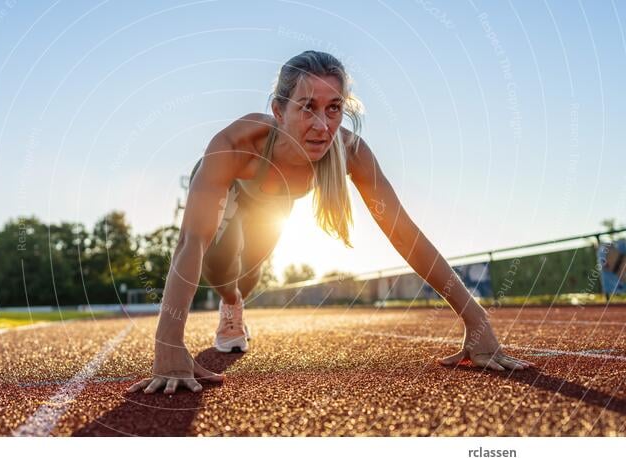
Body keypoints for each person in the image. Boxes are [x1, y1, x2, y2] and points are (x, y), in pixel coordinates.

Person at [128, 50, 534, 395]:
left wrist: (476, 319)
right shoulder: (236, 143)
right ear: (278, 109)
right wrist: (168, 341)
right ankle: (228, 298)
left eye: (334, 108)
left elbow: (404, 234)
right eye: (307, 107)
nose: (322, 125)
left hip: (274, 205)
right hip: (232, 191)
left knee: (248, 274)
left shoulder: (350, 151)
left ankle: (236, 302)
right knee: (219, 266)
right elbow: (190, 241)